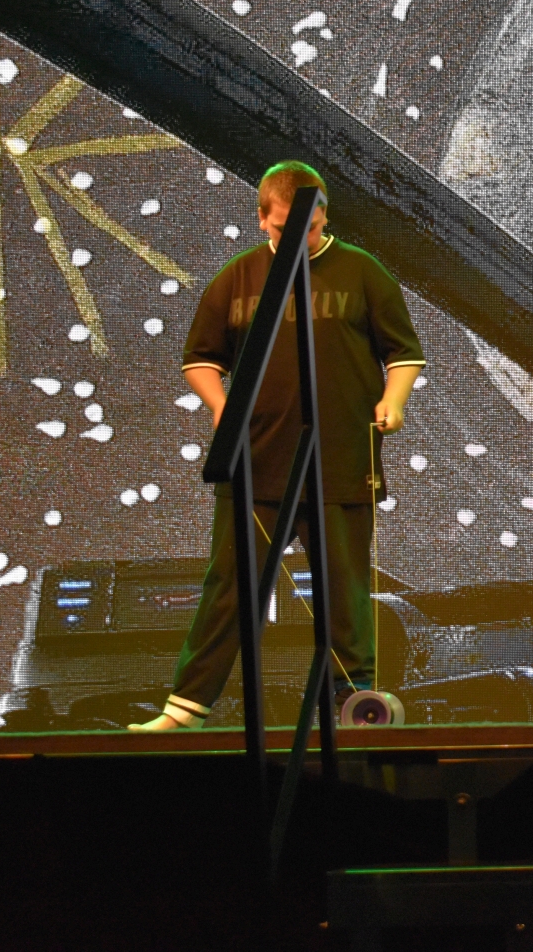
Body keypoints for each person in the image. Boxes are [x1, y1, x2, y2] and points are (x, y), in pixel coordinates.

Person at [129, 162, 425, 730]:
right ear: (263, 218)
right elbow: (201, 359)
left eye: (309, 228)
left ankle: (353, 708)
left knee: (343, 592)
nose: (299, 239)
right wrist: (221, 407)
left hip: (340, 460)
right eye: (286, 228)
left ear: (324, 218)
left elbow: (403, 353)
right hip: (257, 464)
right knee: (230, 588)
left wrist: (395, 400)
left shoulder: (361, 271)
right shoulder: (238, 277)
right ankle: (186, 709)